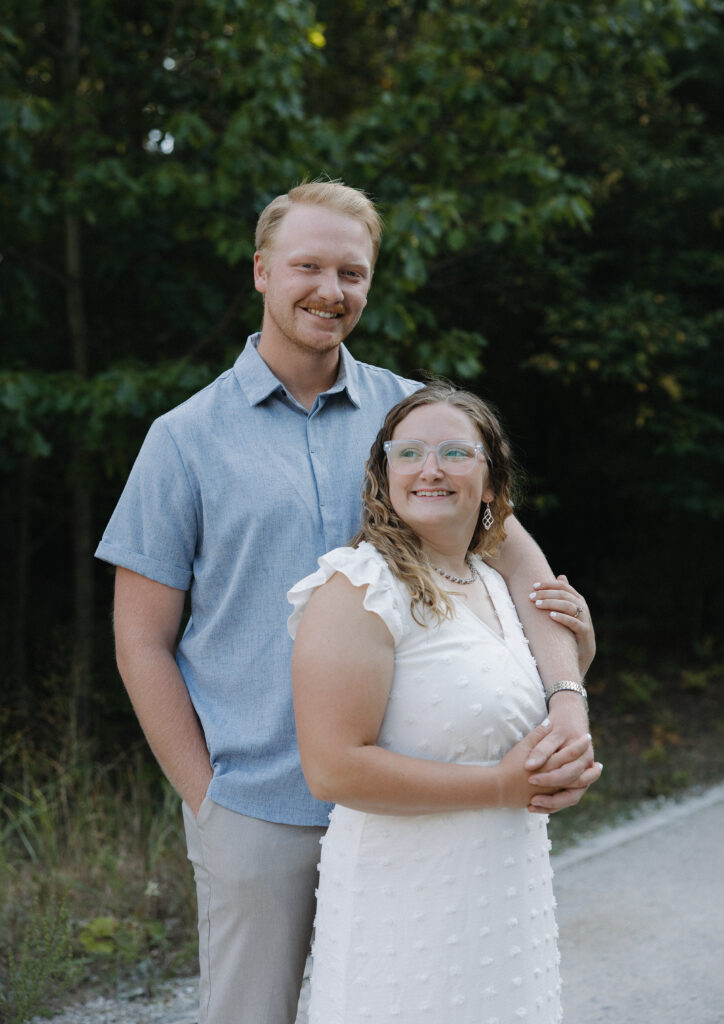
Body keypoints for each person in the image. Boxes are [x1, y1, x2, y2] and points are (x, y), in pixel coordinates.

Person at [95, 181, 598, 1024]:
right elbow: (141, 639)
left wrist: (567, 694)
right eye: (309, 266)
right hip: (263, 808)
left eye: (352, 272)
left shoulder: (410, 420)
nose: (332, 290)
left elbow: (517, 558)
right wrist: (206, 796)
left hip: (418, 803)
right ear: (262, 271)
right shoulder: (184, 439)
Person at [289, 383, 600, 1023]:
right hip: (405, 908)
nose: (430, 468)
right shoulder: (358, 588)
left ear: (491, 484)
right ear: (384, 474)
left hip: (503, 896)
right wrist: (498, 786)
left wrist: (578, 667)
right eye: (409, 454)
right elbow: (332, 769)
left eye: (456, 452)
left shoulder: (491, 581)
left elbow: (495, 705)